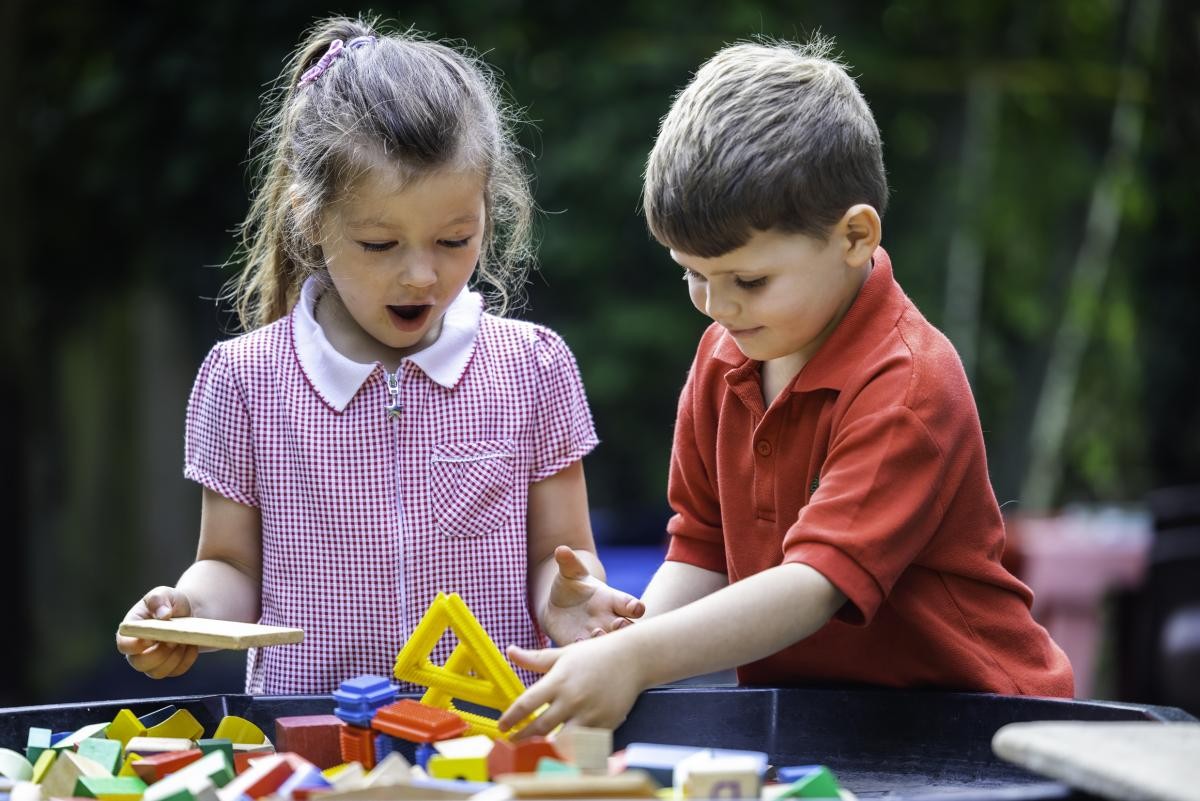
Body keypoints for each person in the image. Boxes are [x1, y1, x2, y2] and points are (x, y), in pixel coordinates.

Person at [498, 38, 1074, 737]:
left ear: (855, 236)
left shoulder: (908, 383)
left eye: (748, 280)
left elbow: (812, 585)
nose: (715, 304)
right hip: (819, 725)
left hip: (978, 729)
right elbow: (703, 548)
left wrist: (637, 658)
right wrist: (618, 644)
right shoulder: (724, 355)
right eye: (692, 273)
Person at [115, 16, 643, 694]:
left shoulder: (533, 367)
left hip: (485, 744)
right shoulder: (244, 381)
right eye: (379, 244)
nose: (421, 276)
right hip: (308, 751)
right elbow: (231, 569)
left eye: (454, 239)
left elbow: (558, 559)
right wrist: (186, 612)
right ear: (311, 218)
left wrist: (570, 598)